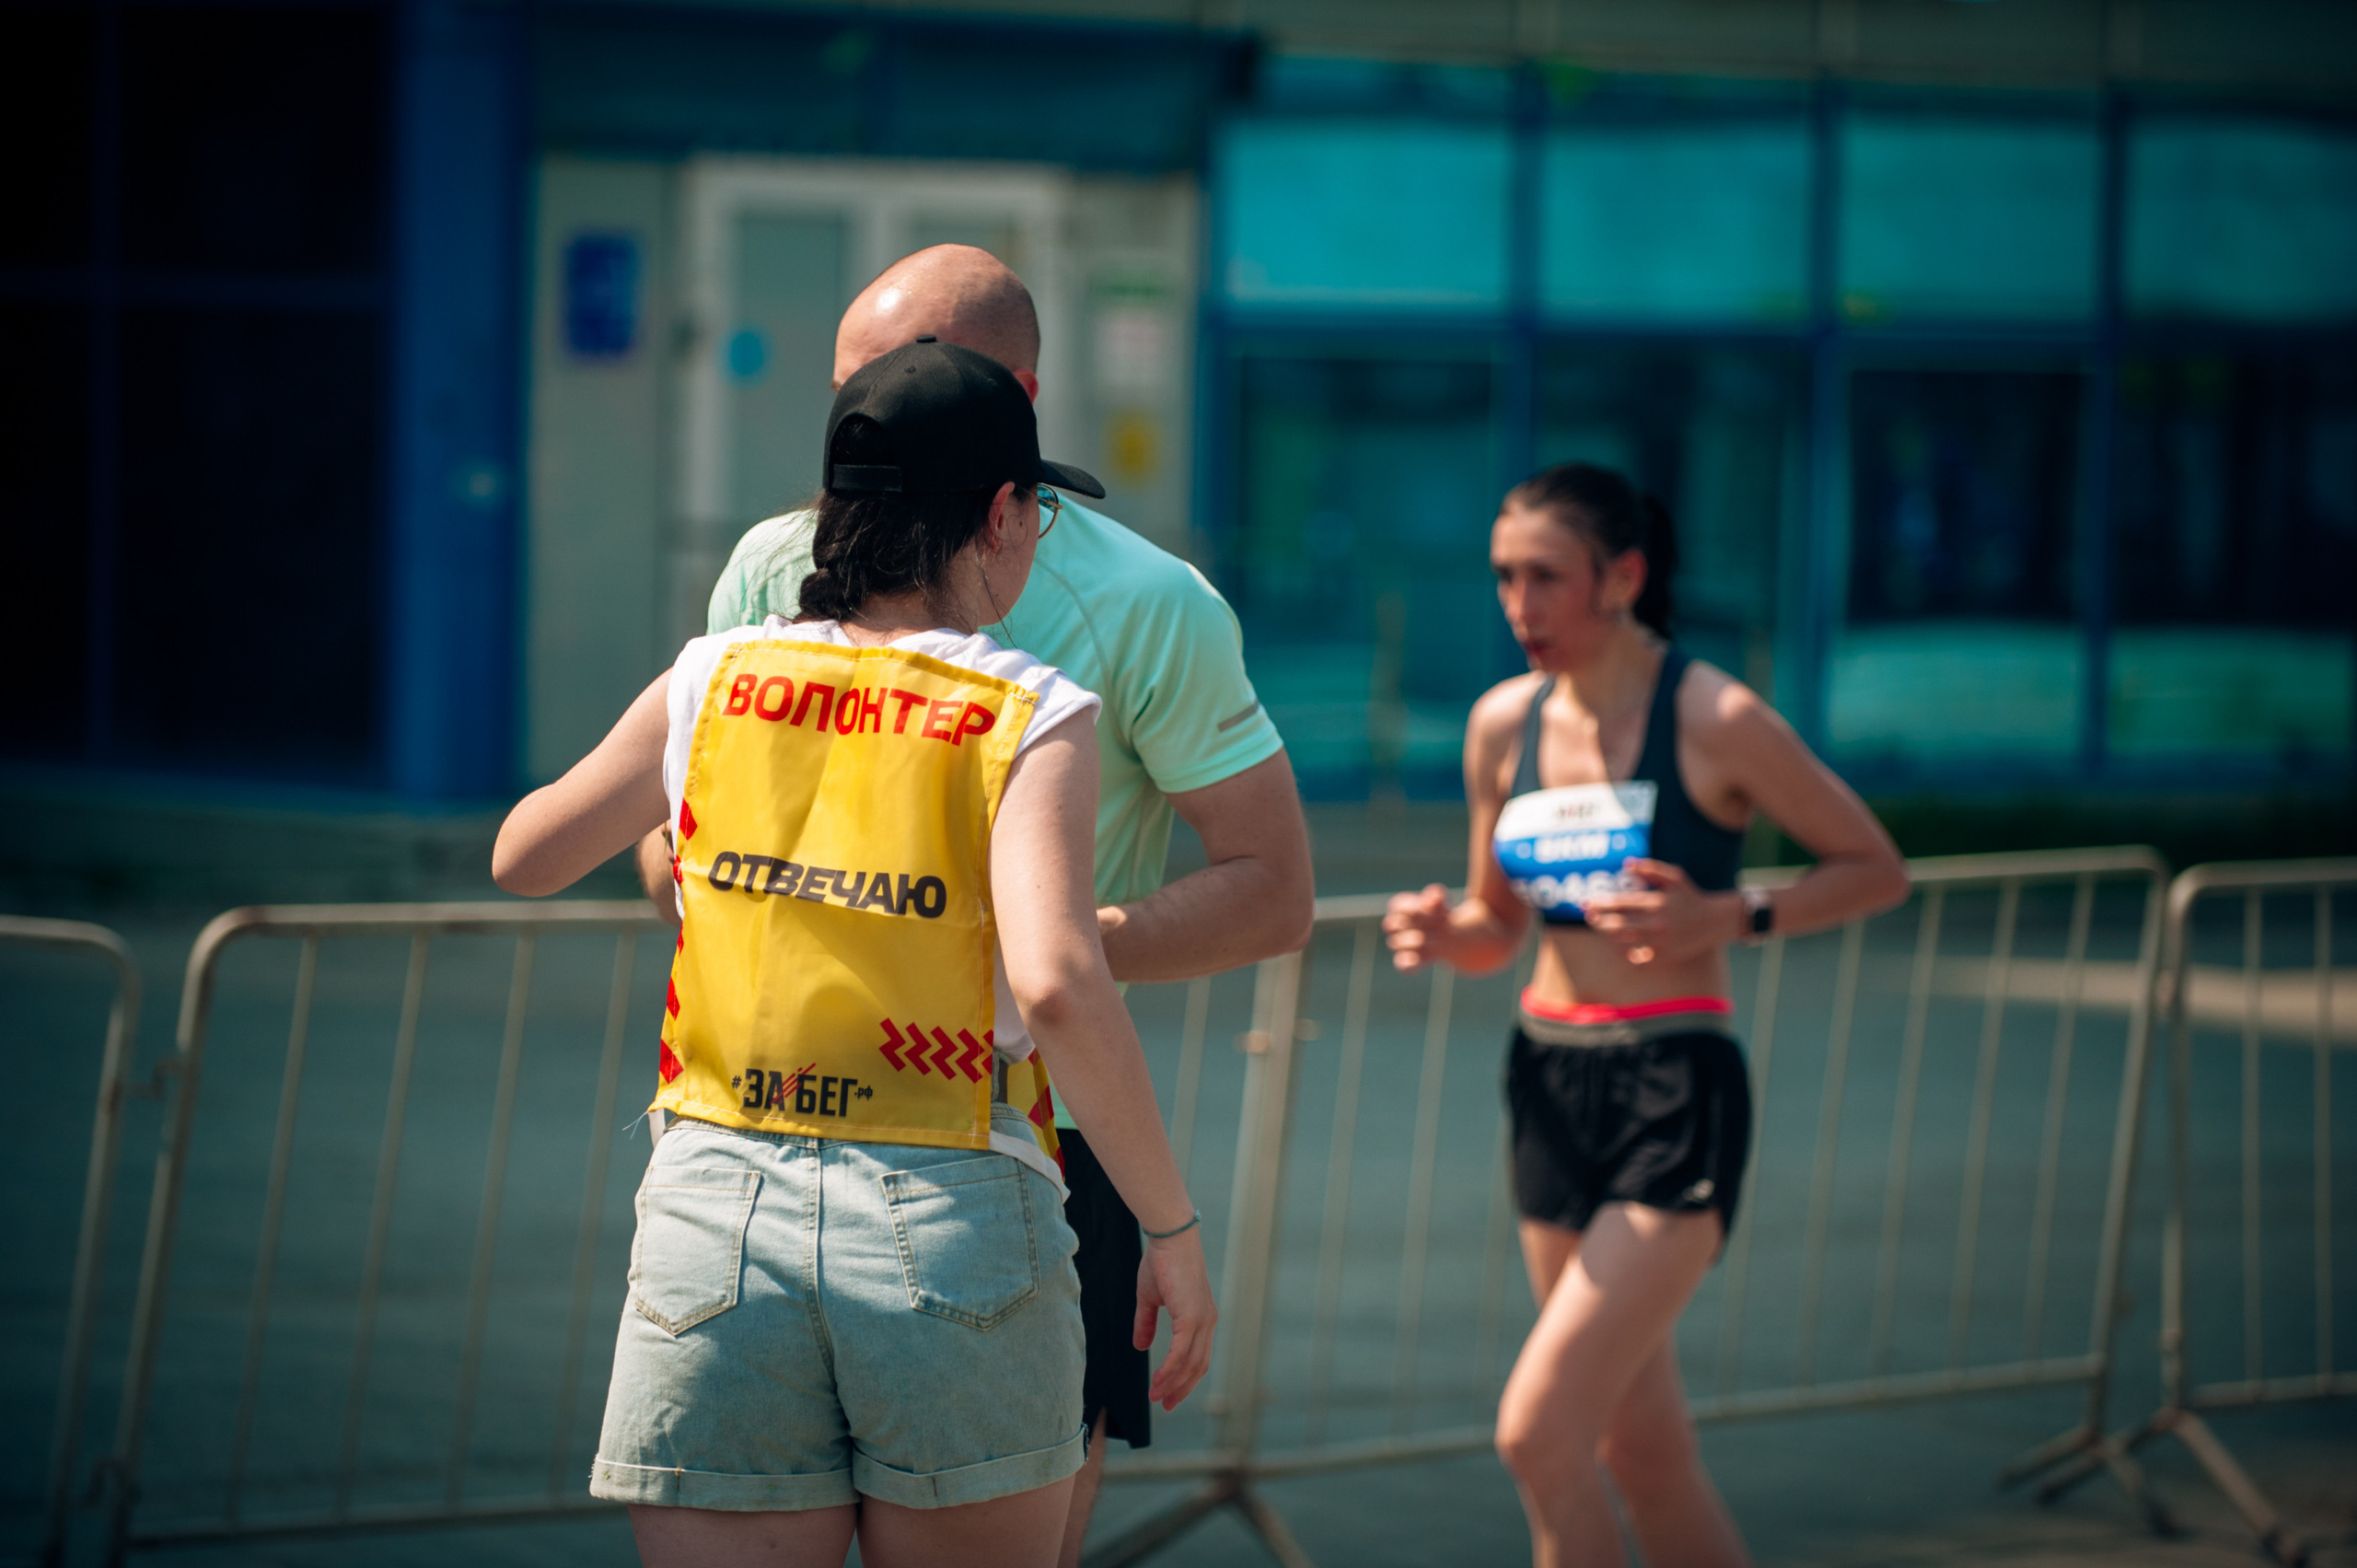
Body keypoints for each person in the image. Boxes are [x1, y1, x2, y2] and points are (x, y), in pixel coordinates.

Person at [639, 244, 1314, 1567]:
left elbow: (1273, 890)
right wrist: (698, 873)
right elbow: (670, 838)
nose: (853, 431)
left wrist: (1027, 955)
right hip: (759, 1153)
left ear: (1009, 397)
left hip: (1030, 1156)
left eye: (888, 388)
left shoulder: (1147, 602)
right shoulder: (771, 565)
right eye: (842, 393)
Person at [498, 338, 1218, 1568]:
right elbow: (1055, 979)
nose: (1036, 535)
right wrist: (1172, 1226)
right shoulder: (1027, 708)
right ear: (998, 513)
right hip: (949, 1209)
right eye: (1035, 508)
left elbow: (527, 852)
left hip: (715, 1202)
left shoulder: (712, 676)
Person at [1382, 463, 1909, 1568]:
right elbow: (1496, 926)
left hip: (1675, 1085)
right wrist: (1445, 932)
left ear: (1621, 575)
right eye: (1501, 578)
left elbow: (1873, 868)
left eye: (1545, 577)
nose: (1518, 605)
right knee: (1642, 1451)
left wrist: (1730, 911)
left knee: (1538, 1432)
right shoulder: (1499, 726)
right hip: (1548, 1082)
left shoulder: (1715, 714)